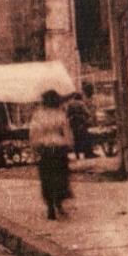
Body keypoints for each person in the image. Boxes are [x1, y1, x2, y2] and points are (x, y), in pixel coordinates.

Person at [29, 89, 72, 220]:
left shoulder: (38, 115)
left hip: (45, 149)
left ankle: (50, 207)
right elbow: (66, 130)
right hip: (59, 148)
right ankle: (59, 204)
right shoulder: (60, 114)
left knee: (47, 178)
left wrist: (34, 148)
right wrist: (69, 144)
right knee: (60, 177)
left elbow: (33, 132)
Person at [67, 85, 96, 159]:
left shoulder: (70, 104)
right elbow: (87, 113)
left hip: (73, 124)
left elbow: (67, 114)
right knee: (85, 138)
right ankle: (87, 153)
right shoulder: (81, 103)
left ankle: (77, 155)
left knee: (76, 139)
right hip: (81, 124)